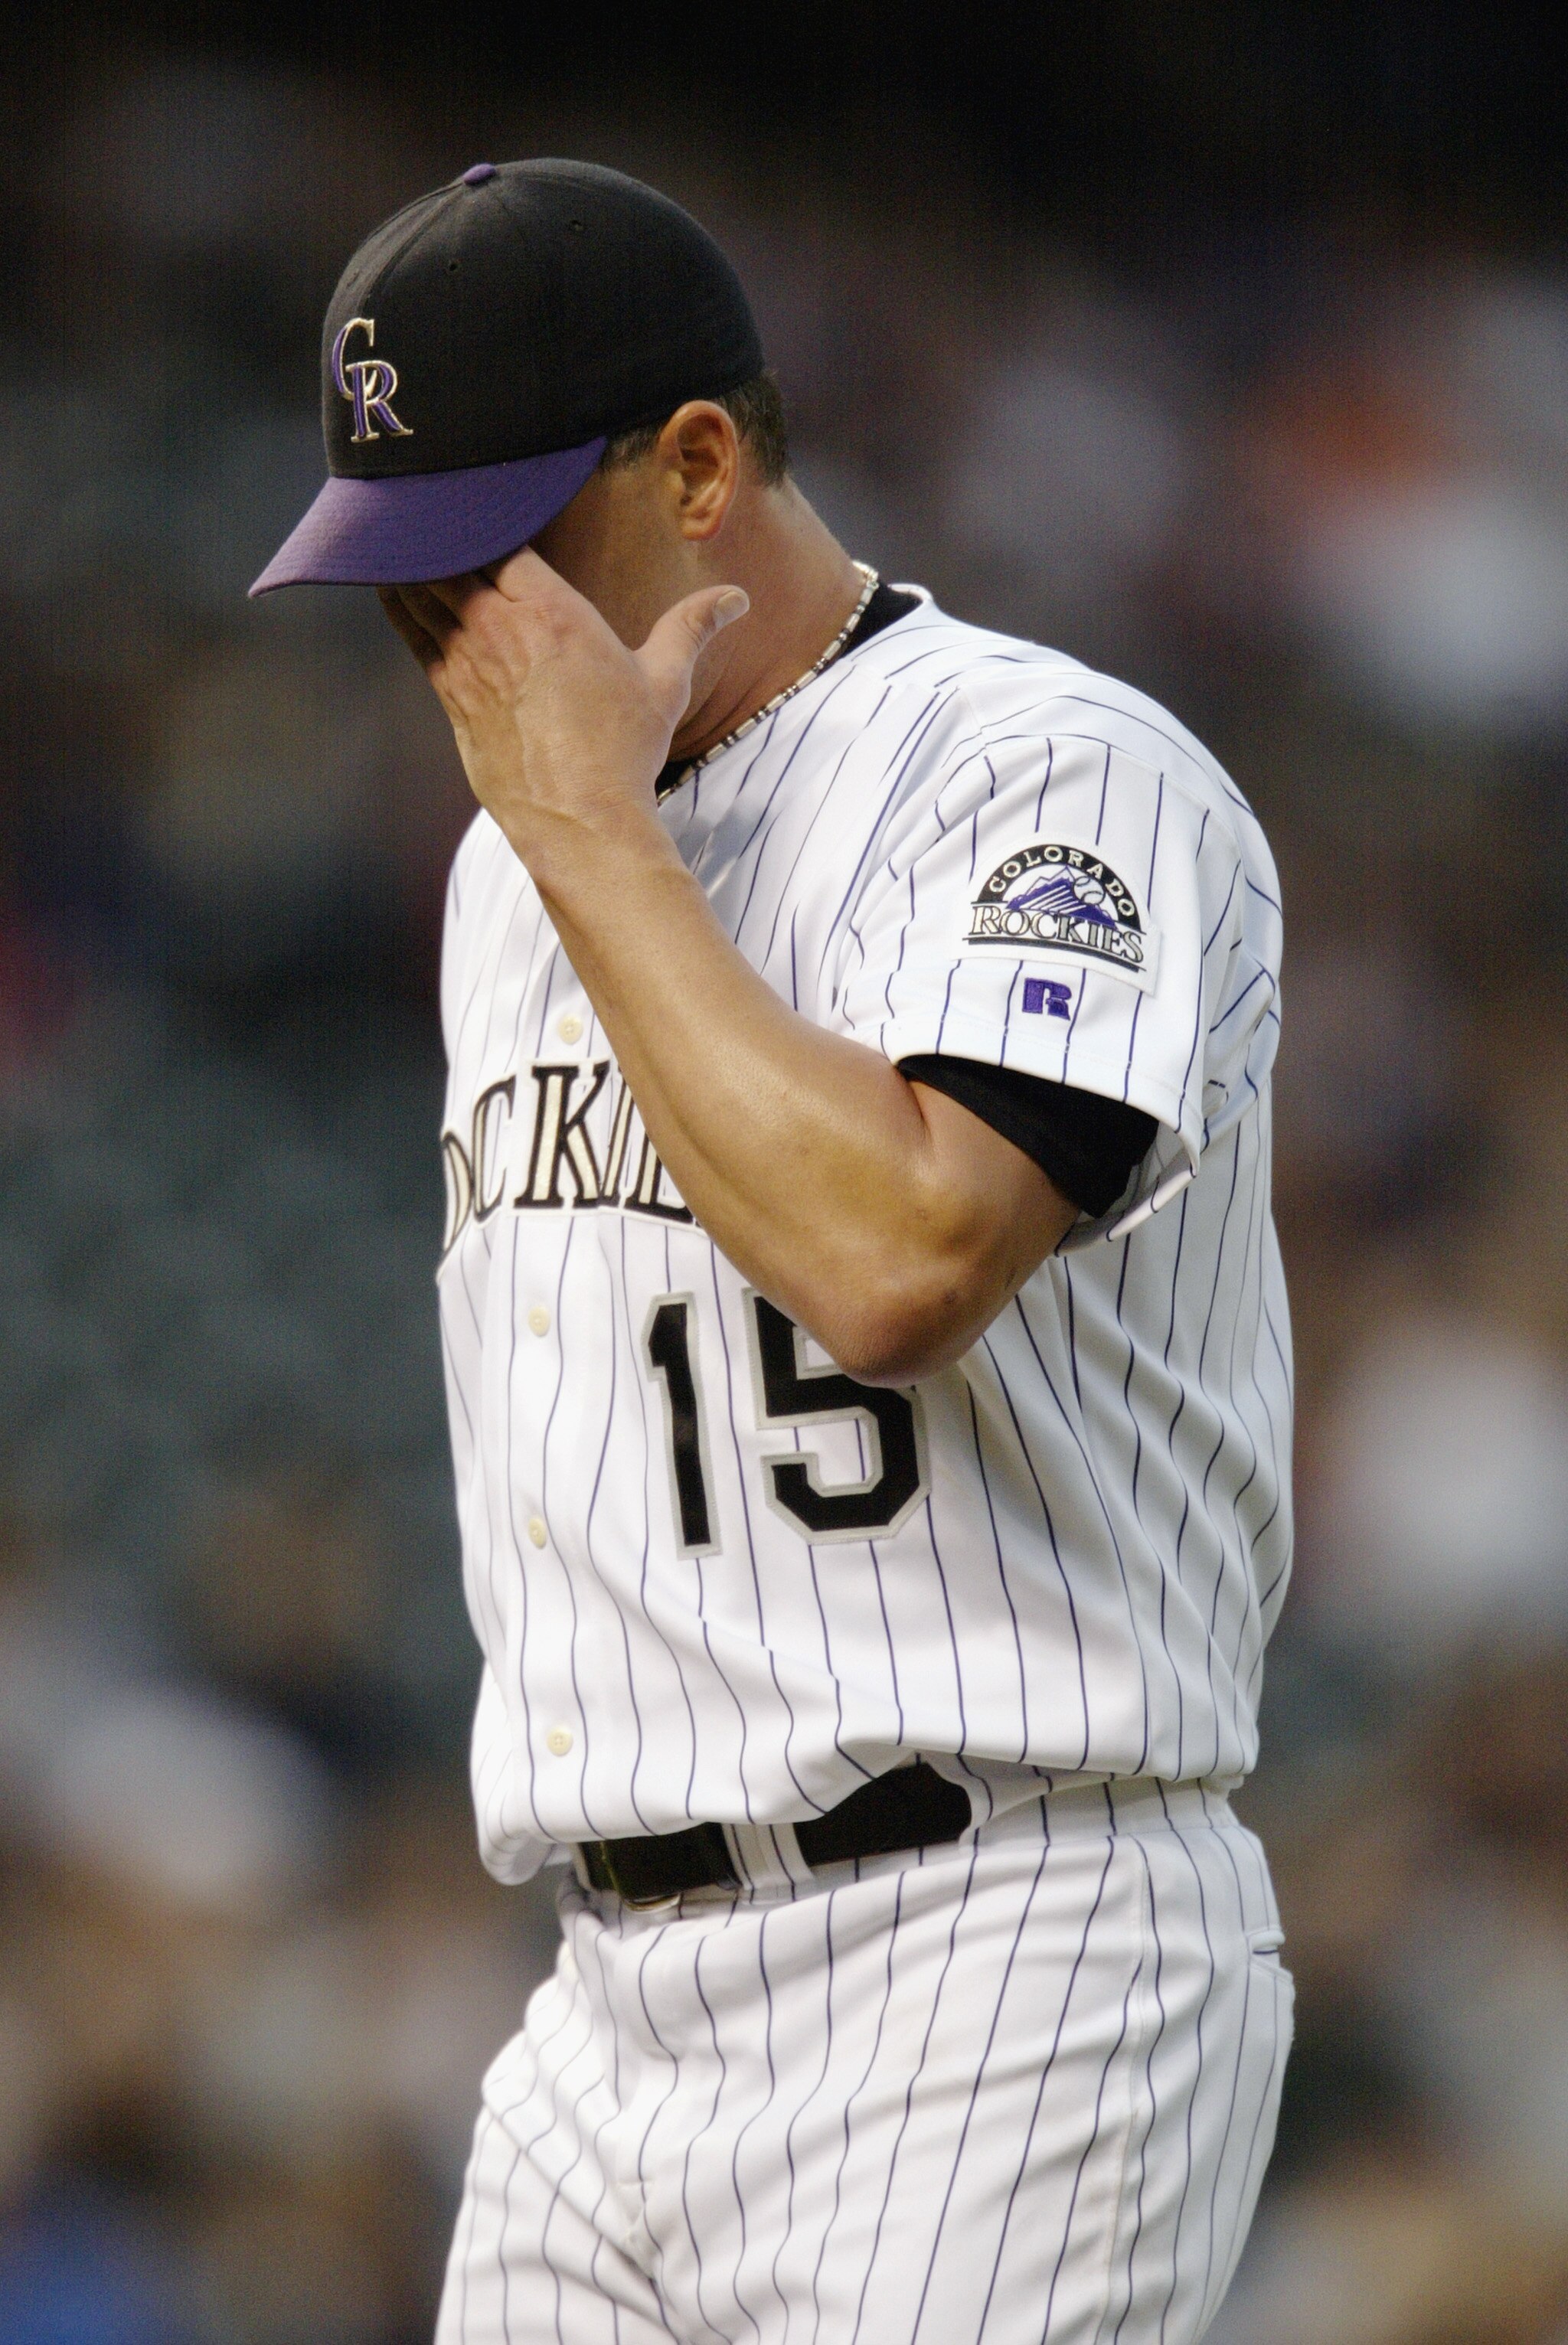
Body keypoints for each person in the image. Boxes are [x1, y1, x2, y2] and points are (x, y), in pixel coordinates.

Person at [255, 157, 1293, 2345]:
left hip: (995, 1953)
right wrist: (570, 836)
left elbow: (906, 1257)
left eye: (490, 550)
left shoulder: (1045, 775)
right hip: (605, 2006)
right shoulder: (519, 862)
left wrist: (582, 833)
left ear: (700, 469)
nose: (450, 629)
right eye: (398, 570)